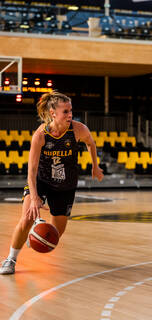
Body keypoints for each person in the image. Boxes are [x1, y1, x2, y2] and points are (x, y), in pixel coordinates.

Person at [0, 91, 104, 275]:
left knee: (54, 233)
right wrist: (34, 197)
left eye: (71, 110)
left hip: (66, 184)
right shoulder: (41, 134)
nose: (70, 114)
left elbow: (91, 144)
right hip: (41, 180)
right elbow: (31, 171)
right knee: (26, 219)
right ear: (52, 112)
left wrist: (95, 166)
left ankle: (34, 236)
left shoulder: (79, 129)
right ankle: (10, 259)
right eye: (65, 111)